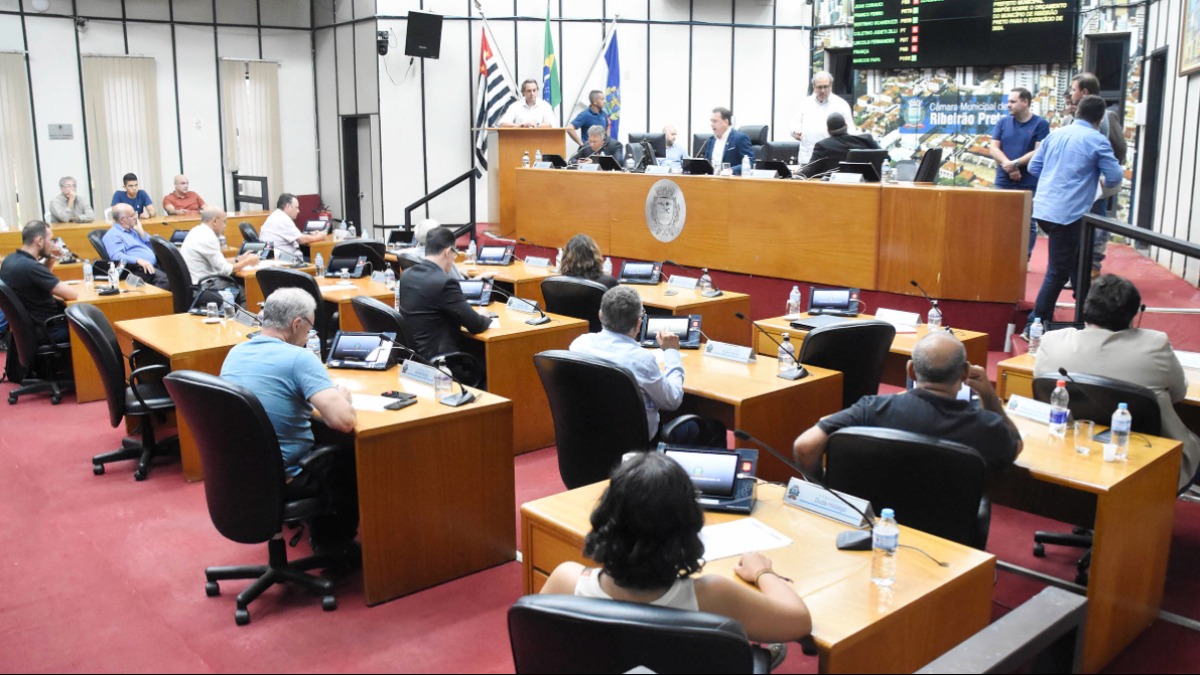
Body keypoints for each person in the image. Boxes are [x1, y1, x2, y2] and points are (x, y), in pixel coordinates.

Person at [541, 452, 813, 649]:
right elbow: (799, 621)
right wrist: (763, 571)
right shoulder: (712, 596)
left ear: (604, 519)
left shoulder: (565, 581)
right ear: (687, 531)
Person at [220, 288, 359, 556]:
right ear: (296, 324)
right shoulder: (300, 358)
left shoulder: (236, 353)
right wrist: (342, 398)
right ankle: (334, 547)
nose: (309, 335)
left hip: (241, 471)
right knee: (349, 455)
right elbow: (343, 421)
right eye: (309, 327)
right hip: (285, 478)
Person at [1034, 274, 1199, 492]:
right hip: (1145, 458)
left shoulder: (1051, 341)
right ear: (1133, 316)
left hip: (1073, 451)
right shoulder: (1154, 345)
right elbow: (1179, 393)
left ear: (1086, 308)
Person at [793, 331, 1022, 478]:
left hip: (874, 529)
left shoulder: (871, 409)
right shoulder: (986, 426)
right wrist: (990, 396)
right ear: (964, 374)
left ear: (910, 370)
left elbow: (805, 447)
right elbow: (1015, 447)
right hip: (949, 543)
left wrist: (825, 486)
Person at [1024, 95, 1122, 331]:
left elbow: (1033, 167)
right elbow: (1115, 177)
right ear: (1100, 119)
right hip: (1069, 213)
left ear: (1078, 112)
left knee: (1078, 262)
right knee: (1058, 272)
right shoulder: (1097, 140)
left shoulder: (1055, 134)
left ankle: (1089, 314)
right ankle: (1034, 324)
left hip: (1045, 209)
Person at [569, 286, 684, 439]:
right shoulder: (642, 360)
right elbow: (672, 401)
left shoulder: (579, 344)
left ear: (600, 316)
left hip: (590, 435)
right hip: (637, 444)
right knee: (711, 428)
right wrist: (672, 352)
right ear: (638, 323)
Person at [397, 226, 492, 360]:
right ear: (448, 252)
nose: (454, 259)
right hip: (442, 362)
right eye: (455, 254)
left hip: (415, 358)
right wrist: (484, 316)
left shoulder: (406, 275)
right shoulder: (445, 282)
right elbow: (476, 325)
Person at [1070, 73, 1128, 277]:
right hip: (1083, 184)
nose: (1071, 93)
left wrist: (1105, 175)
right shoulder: (1077, 116)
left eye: (1073, 89)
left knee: (1096, 223)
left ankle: (1092, 267)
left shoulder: (1106, 117)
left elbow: (1119, 149)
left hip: (1098, 184)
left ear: (1084, 92)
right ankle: (1081, 268)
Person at [988, 87, 1050, 260]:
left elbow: (1039, 151)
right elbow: (993, 148)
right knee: (999, 219)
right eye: (1008, 101)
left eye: (1013, 101)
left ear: (1025, 102)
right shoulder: (1002, 122)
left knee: (1027, 223)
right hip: (1003, 179)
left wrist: (1015, 164)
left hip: (1028, 181)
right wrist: (1009, 166)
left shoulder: (1040, 124)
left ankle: (1024, 258)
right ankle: (1000, 256)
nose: (1008, 105)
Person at [0, 221, 78, 343]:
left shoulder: (9, 261)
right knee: (93, 329)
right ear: (40, 241)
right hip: (50, 328)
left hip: (29, 330)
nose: (52, 244)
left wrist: (51, 258)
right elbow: (72, 295)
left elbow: (41, 279)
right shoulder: (32, 268)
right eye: (50, 240)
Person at [179, 209, 259, 305]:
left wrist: (238, 259)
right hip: (204, 287)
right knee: (249, 293)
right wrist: (247, 262)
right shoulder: (207, 237)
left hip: (195, 285)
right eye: (224, 222)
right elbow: (225, 270)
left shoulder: (196, 231)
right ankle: (239, 320)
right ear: (215, 221)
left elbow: (218, 262)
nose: (225, 226)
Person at [791, 71, 856, 164]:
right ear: (813, 87)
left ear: (831, 86)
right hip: (807, 158)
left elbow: (851, 131)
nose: (822, 90)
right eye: (819, 87)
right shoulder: (805, 103)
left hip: (831, 159)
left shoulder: (841, 105)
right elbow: (794, 124)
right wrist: (795, 131)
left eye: (825, 87)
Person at [102, 203, 169, 288]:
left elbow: (153, 248)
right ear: (122, 219)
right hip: (136, 269)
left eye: (135, 213)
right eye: (132, 215)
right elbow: (116, 256)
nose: (136, 217)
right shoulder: (113, 235)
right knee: (165, 280)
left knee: (176, 274)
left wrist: (141, 233)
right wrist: (138, 260)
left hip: (153, 265)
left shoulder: (134, 230)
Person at [260, 193, 327, 261]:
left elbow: (295, 235)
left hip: (274, 256)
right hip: (282, 259)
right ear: (288, 206)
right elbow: (301, 240)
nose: (298, 211)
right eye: (296, 207)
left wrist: (310, 235)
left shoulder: (276, 215)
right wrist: (319, 236)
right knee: (317, 260)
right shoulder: (283, 219)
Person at [805, 112, 880, 171]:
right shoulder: (866, 139)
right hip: (866, 188)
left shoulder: (822, 146)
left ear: (828, 130)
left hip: (833, 189)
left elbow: (808, 172)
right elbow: (886, 159)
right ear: (846, 126)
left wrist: (796, 174)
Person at [702, 107, 755, 175]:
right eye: (711, 121)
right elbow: (706, 163)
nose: (712, 124)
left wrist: (731, 170)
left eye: (715, 121)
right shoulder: (711, 140)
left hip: (733, 181)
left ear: (726, 122)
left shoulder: (740, 138)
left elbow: (751, 162)